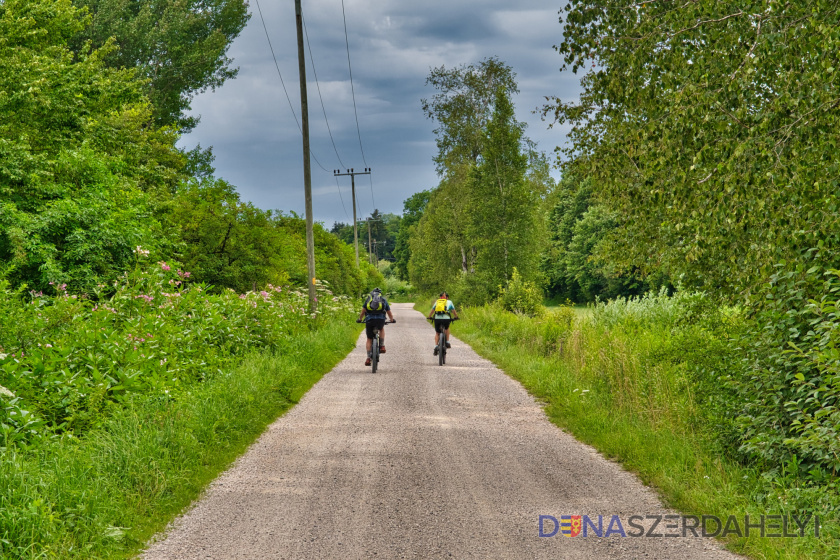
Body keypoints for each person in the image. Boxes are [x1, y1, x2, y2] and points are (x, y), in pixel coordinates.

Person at [358, 287, 395, 366]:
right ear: (380, 294)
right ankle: (382, 346)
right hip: (380, 319)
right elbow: (389, 312)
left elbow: (363, 311)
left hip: (369, 320)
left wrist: (360, 319)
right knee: (381, 329)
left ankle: (368, 358)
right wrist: (392, 319)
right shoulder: (383, 300)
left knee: (369, 338)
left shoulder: (368, 299)